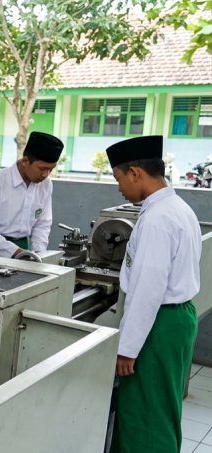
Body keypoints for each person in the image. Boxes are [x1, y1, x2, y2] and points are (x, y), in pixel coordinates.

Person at [107, 136, 201, 453]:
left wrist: (127, 349)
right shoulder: (179, 208)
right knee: (161, 406)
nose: (119, 188)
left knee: (145, 413)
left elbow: (147, 290)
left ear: (135, 173)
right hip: (177, 319)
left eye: (119, 179)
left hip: (158, 324)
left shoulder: (157, 219)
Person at [0, 131, 63, 257]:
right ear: (25, 161)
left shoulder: (46, 184)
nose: (45, 174)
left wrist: (38, 253)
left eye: (50, 169)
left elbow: (42, 224)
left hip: (24, 250)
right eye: (42, 169)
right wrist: (14, 252)